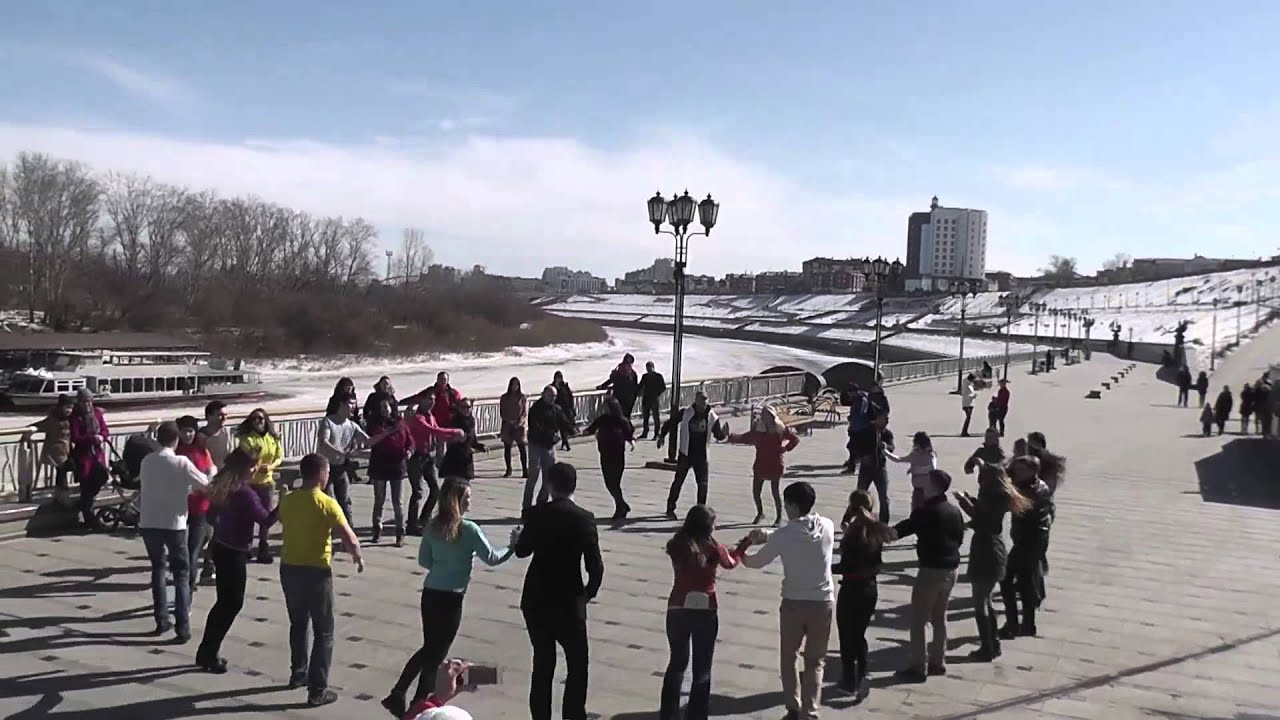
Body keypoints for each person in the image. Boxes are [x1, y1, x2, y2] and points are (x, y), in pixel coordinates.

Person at [383, 479, 517, 718]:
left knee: (430, 649)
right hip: (452, 598)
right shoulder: (469, 529)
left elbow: (424, 561)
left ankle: (402, 694)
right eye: (467, 497)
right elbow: (493, 558)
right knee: (436, 653)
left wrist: (442, 564)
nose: (470, 501)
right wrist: (512, 546)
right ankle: (415, 701)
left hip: (431, 592)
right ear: (457, 501)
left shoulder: (433, 525)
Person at [733, 481, 835, 720]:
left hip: (794, 603)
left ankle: (793, 705)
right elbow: (789, 534)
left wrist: (743, 553)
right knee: (816, 661)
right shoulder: (828, 526)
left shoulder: (783, 535)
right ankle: (810, 712)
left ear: (793, 506)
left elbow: (757, 561)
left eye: (787, 504)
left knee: (789, 657)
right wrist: (767, 535)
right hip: (823, 602)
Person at [513, 463, 604, 720]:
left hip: (535, 598)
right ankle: (573, 714)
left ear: (550, 486)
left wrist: (517, 539)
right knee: (578, 664)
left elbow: (522, 551)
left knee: (542, 662)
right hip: (569, 599)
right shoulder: (584, 518)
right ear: (574, 485)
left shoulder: (536, 513)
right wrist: (588, 593)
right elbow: (595, 567)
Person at [277, 453, 365, 707]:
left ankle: (298, 673)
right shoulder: (326, 503)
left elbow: (282, 519)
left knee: (298, 623)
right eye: (326, 473)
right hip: (316, 572)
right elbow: (349, 537)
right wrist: (358, 557)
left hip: (289, 568)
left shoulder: (289, 500)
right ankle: (317, 690)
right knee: (324, 631)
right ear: (320, 475)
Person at [196, 448, 275, 673]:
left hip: (221, 547)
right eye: (253, 466)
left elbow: (211, 516)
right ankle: (209, 652)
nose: (255, 469)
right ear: (244, 468)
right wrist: (283, 503)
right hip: (235, 552)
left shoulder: (223, 487)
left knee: (223, 603)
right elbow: (266, 520)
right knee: (232, 603)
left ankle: (207, 650)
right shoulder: (245, 493)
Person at [659, 505, 739, 720]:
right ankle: (696, 713)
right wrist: (743, 547)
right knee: (702, 666)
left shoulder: (677, 544)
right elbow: (730, 563)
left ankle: (668, 713)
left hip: (677, 606)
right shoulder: (714, 549)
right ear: (707, 527)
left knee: (677, 662)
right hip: (706, 609)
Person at [139, 421, 212, 642]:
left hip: (149, 521)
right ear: (176, 439)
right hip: (174, 523)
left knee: (158, 569)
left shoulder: (147, 460)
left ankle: (161, 620)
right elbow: (205, 484)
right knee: (181, 573)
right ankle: (183, 625)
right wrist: (211, 473)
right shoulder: (181, 462)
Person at [891, 469, 966, 682]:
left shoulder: (925, 511)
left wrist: (879, 532)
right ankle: (938, 661)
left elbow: (900, 531)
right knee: (940, 618)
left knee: (919, 620)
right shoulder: (953, 510)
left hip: (930, 570)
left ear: (933, 486)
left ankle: (918, 666)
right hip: (951, 569)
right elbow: (960, 538)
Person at [955, 463, 1029, 661]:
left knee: (980, 603)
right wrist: (970, 500)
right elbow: (984, 516)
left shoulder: (991, 496)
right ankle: (993, 644)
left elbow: (980, 518)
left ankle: (987, 647)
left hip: (985, 552)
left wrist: (963, 502)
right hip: (995, 548)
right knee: (986, 601)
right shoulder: (999, 496)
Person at [833, 490, 894, 702]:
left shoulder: (855, 533)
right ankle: (863, 673)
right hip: (870, 588)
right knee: (859, 634)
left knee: (847, 635)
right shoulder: (874, 528)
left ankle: (849, 679)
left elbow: (846, 565)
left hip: (852, 588)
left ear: (851, 507)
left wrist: (824, 567)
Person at [1000, 456, 1054, 639]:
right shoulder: (1037, 485)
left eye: (1022, 470)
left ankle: (1013, 624)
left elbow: (1014, 502)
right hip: (1033, 540)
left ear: (1033, 471)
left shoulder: (1032, 491)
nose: (1017, 473)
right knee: (1025, 582)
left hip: (1029, 542)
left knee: (1006, 578)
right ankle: (1027, 625)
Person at [726, 405, 800, 526]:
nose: (766, 417)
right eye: (764, 415)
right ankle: (760, 513)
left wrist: (786, 448)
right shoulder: (759, 430)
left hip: (775, 464)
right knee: (756, 491)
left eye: (768, 415)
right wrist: (731, 437)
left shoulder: (780, 429)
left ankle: (779, 517)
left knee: (775, 493)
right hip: (761, 463)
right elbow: (745, 437)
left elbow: (795, 439)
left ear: (772, 416)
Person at [407, 397, 466, 531]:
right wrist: (454, 432)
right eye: (428, 400)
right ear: (421, 401)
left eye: (433, 400)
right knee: (418, 492)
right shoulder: (418, 418)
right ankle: (411, 524)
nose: (431, 402)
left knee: (435, 489)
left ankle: (424, 518)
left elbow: (438, 433)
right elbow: (432, 430)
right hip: (416, 458)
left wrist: (453, 437)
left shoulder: (431, 416)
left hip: (428, 457)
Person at [366, 395, 415, 546]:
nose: (384, 410)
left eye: (386, 407)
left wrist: (409, 451)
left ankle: (400, 532)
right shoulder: (374, 424)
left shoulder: (400, 423)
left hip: (397, 465)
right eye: (381, 408)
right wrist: (387, 431)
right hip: (379, 464)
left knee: (397, 502)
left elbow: (410, 441)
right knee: (379, 500)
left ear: (391, 408)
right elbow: (371, 440)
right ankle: (377, 530)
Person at [236, 408, 283, 563]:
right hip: (250, 482)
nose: (258, 421)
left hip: (267, 482)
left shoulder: (272, 438)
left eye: (261, 418)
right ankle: (246, 546)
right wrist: (256, 466)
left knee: (266, 516)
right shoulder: (247, 439)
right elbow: (247, 455)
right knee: (248, 517)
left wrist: (271, 467)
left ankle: (263, 546)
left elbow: (279, 456)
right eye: (255, 419)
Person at [315, 396, 370, 527]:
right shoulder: (328, 422)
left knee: (345, 502)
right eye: (351, 404)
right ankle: (325, 530)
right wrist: (342, 453)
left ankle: (348, 532)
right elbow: (324, 442)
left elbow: (368, 441)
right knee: (326, 502)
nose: (353, 408)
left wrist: (389, 434)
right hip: (325, 468)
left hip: (341, 468)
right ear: (341, 404)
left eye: (355, 405)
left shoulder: (352, 425)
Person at [176, 415, 216, 595]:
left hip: (200, 505)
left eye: (191, 431)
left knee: (194, 548)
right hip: (180, 507)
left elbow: (210, 468)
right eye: (184, 431)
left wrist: (210, 477)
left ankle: (189, 586)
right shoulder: (175, 451)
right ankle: (184, 581)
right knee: (181, 549)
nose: (187, 435)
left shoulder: (201, 450)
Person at [665, 391, 720, 521]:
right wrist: (662, 434)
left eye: (705, 399)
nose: (703, 402)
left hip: (702, 455)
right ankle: (670, 507)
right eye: (701, 399)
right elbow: (671, 422)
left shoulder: (712, 416)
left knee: (703, 485)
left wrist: (725, 434)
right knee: (678, 481)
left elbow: (718, 434)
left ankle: (701, 513)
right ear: (696, 400)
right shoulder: (686, 412)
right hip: (686, 453)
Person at [583, 397, 636, 521]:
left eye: (606, 406)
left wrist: (632, 442)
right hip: (605, 454)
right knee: (609, 482)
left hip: (617, 455)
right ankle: (622, 505)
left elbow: (629, 434)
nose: (603, 408)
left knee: (615, 483)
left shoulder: (622, 421)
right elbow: (590, 429)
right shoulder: (602, 419)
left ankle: (620, 508)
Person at [524, 385, 575, 509]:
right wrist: (550, 435)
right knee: (533, 476)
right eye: (551, 396)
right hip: (536, 444)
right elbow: (535, 427)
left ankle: (542, 502)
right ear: (543, 394)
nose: (553, 398)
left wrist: (572, 430)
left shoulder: (556, 408)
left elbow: (563, 421)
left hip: (549, 446)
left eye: (554, 396)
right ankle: (526, 506)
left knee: (549, 476)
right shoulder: (536, 409)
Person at [69, 388, 110, 530]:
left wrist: (102, 436)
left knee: (100, 480)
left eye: (89, 401)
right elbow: (75, 437)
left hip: (97, 456)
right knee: (86, 486)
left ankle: (85, 508)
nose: (87, 404)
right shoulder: (75, 416)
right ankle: (89, 518)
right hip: (84, 457)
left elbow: (105, 430)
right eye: (84, 401)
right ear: (79, 402)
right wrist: (92, 438)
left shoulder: (97, 413)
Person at [405, 372, 463, 468]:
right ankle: (439, 468)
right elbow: (417, 397)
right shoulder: (431, 391)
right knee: (438, 449)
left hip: (450, 424)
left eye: (444, 379)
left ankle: (449, 466)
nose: (442, 381)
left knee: (452, 448)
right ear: (437, 379)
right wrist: (401, 402)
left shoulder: (453, 393)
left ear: (448, 380)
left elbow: (460, 406)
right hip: (434, 424)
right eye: (440, 378)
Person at [886, 431, 939, 511]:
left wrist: (915, 469)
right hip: (918, 489)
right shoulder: (915, 454)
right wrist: (886, 452)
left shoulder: (930, 455)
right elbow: (899, 459)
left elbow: (932, 469)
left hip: (927, 491)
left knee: (923, 511)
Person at [857, 415, 894, 524]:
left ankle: (884, 523)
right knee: (860, 495)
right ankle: (859, 519)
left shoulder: (886, 433)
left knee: (884, 497)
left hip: (880, 468)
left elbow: (892, 447)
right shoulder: (866, 431)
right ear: (877, 419)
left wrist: (886, 446)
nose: (886, 422)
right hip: (866, 468)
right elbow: (856, 446)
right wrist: (863, 456)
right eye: (884, 419)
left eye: (888, 420)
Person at [439, 398, 487, 481]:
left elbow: (472, 440)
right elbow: (452, 439)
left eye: (468, 407)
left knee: (465, 487)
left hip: (466, 459)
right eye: (463, 407)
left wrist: (480, 446)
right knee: (453, 486)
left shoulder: (471, 420)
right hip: (454, 458)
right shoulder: (455, 420)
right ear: (459, 408)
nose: (466, 410)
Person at [36, 394, 74, 496]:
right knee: (62, 469)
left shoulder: (71, 418)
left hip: (67, 448)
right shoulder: (54, 418)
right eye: (67, 407)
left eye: (71, 408)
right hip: (56, 449)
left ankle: (61, 491)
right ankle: (63, 492)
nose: (69, 410)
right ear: (61, 407)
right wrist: (30, 429)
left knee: (65, 469)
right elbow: (42, 425)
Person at [499, 377, 529, 478]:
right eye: (513, 384)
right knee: (507, 448)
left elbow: (524, 412)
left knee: (522, 448)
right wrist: (509, 420)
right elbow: (502, 412)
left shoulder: (522, 397)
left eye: (516, 385)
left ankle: (525, 470)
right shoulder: (504, 397)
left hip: (519, 426)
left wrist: (519, 422)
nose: (514, 387)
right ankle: (508, 469)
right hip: (507, 425)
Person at [597, 352, 640, 418]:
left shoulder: (633, 373)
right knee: (619, 415)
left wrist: (634, 396)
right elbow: (612, 380)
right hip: (619, 396)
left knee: (626, 415)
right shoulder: (619, 371)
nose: (628, 364)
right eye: (627, 362)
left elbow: (635, 386)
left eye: (630, 362)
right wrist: (602, 386)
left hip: (629, 398)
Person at [200, 400, 236, 473]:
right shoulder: (199, 437)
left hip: (228, 478)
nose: (224, 418)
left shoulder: (229, 433)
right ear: (209, 416)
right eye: (220, 415)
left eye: (225, 415)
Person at [638, 361, 667, 440]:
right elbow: (640, 386)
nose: (648, 369)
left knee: (656, 417)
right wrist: (638, 393)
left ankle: (656, 433)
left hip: (654, 398)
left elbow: (663, 387)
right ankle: (645, 433)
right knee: (645, 417)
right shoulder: (645, 376)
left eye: (649, 367)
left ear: (653, 367)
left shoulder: (658, 376)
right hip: (646, 398)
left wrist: (657, 393)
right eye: (647, 368)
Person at [552, 371, 577, 451]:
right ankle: (565, 443)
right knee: (561, 427)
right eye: (557, 377)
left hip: (566, 409)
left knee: (564, 427)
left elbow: (570, 397)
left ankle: (565, 442)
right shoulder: (553, 387)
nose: (558, 379)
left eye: (559, 377)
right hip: (557, 409)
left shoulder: (565, 386)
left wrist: (572, 408)